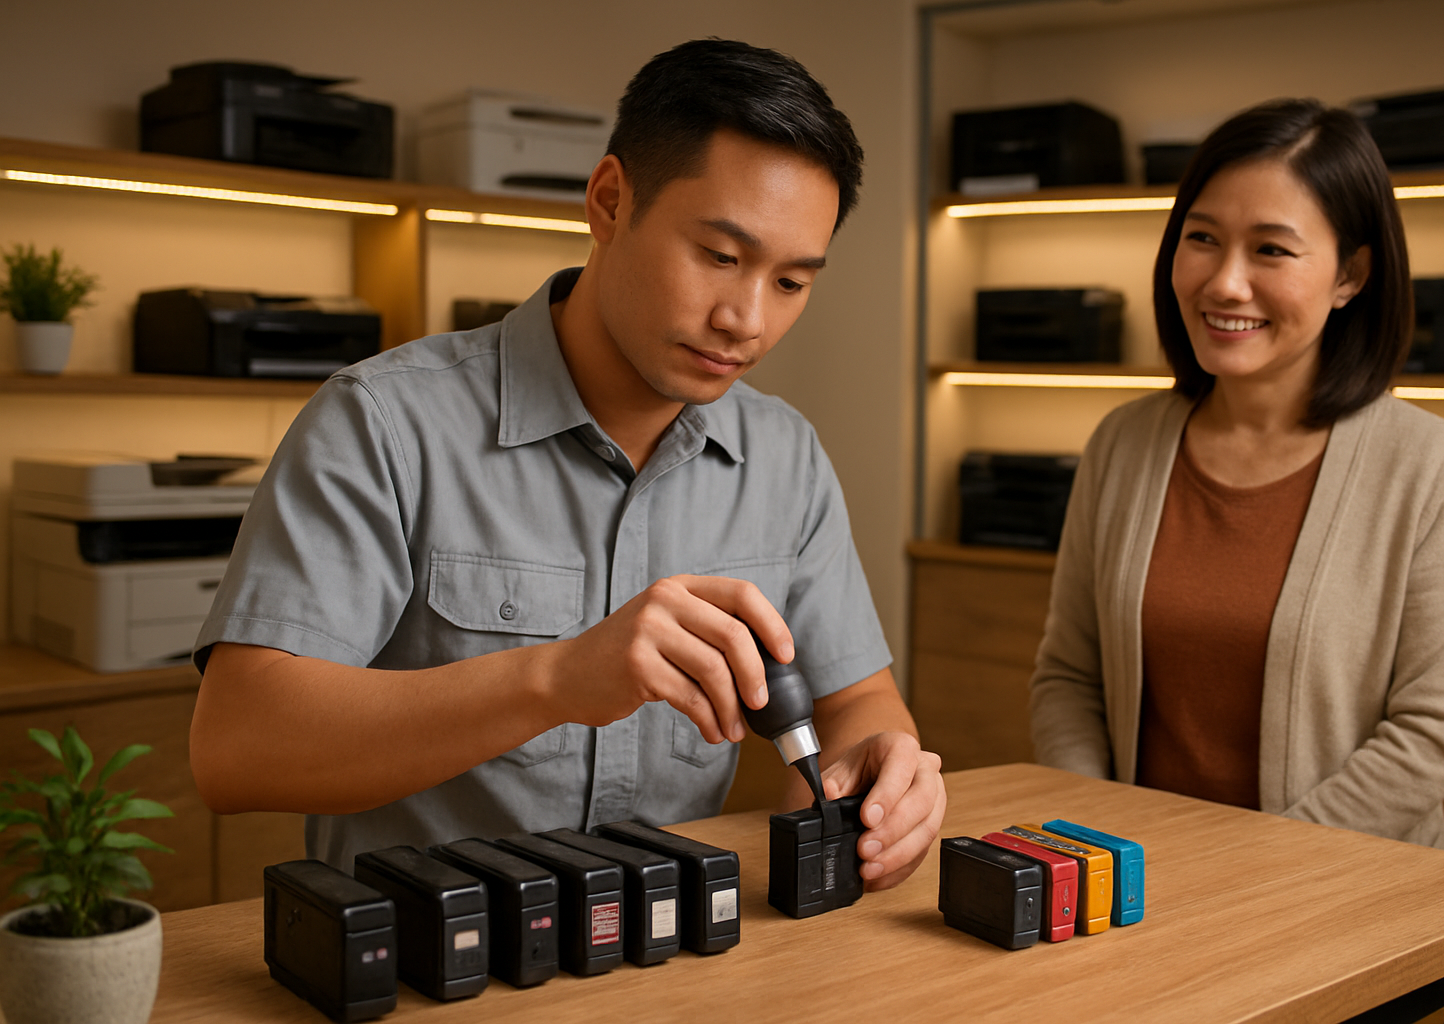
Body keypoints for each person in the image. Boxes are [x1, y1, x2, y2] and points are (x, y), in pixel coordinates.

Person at [188, 38, 944, 884]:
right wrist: (551, 679)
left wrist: (884, 764)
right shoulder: (382, 423)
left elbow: (857, 701)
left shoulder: (785, 456)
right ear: (610, 201)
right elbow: (237, 751)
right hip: (420, 975)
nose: (746, 318)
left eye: (792, 283)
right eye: (721, 257)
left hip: (672, 965)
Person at [1029, 98, 1444, 847]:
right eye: (1203, 239)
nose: (1224, 283)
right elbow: (1068, 679)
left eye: (1271, 251)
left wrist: (1252, 870)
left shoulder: (1429, 468)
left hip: (1339, 894)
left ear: (1350, 274)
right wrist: (1102, 836)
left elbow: (1431, 733)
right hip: (1137, 884)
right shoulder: (1122, 443)